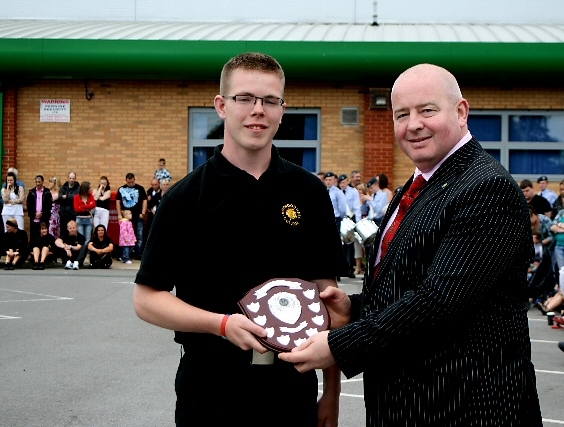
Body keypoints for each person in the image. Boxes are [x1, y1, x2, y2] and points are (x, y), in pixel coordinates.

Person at [279, 63, 542, 425]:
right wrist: (353, 307)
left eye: (427, 110)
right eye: (402, 114)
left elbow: (440, 299)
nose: (413, 124)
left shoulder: (485, 187)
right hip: (414, 405)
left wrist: (340, 347)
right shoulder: (421, 184)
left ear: (461, 112)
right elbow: (408, 283)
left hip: (465, 407)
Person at [133, 52, 346, 427]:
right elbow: (147, 300)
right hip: (210, 389)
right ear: (221, 106)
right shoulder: (185, 198)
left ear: (282, 110)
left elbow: (326, 299)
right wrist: (222, 324)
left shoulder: (309, 192)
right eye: (244, 98)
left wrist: (331, 393)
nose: (258, 110)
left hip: (291, 388)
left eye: (270, 101)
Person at [116, 173, 147, 259]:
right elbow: (118, 202)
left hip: (137, 214)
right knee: (125, 235)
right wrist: (119, 214)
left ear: (134, 179)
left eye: (132, 182)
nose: (130, 184)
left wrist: (143, 213)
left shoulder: (140, 188)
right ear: (126, 180)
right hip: (125, 216)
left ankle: (139, 254)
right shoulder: (121, 189)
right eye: (129, 182)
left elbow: (144, 201)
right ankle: (125, 254)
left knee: (139, 234)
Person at [26, 175, 53, 244]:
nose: (38, 183)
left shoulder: (47, 192)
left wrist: (42, 213)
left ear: (43, 182)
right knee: (34, 235)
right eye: (36, 182)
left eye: (39, 182)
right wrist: (34, 214)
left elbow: (49, 205)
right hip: (34, 218)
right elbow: (29, 205)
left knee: (44, 234)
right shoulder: (31, 192)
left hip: (44, 217)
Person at [59, 172, 80, 237]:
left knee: (72, 230)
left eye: (73, 178)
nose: (71, 180)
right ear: (68, 178)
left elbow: (76, 197)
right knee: (63, 231)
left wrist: (67, 196)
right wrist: (69, 198)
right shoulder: (63, 187)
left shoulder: (78, 187)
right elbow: (60, 197)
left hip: (72, 213)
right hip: (63, 213)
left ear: (75, 178)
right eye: (70, 178)